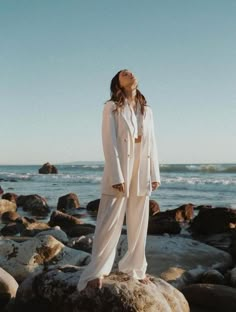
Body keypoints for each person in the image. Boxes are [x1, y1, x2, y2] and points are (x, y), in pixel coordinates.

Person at [77, 69, 161, 292]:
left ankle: (135, 269)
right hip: (121, 166)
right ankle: (97, 271)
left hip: (141, 168)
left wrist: (154, 173)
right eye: (124, 73)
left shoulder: (148, 110)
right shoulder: (111, 107)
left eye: (131, 72)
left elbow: (152, 143)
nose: (130, 73)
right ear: (118, 83)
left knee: (139, 222)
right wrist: (116, 175)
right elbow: (109, 142)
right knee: (109, 221)